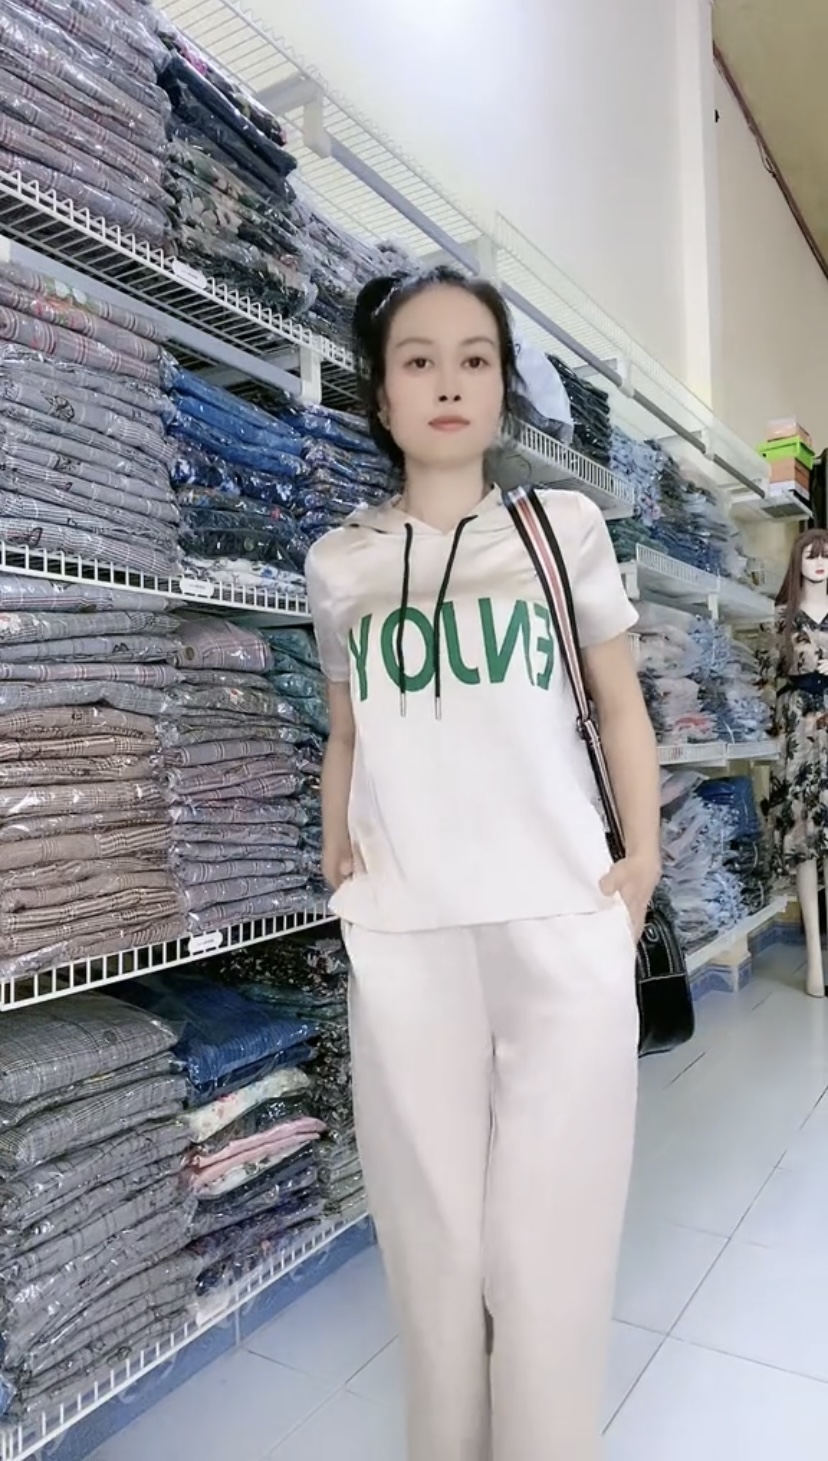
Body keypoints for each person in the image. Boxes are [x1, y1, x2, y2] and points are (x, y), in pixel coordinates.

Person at [306, 265, 661, 1461]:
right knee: (432, 1238)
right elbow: (348, 731)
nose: (448, 382)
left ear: (504, 386)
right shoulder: (340, 561)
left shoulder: (561, 530)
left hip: (559, 919)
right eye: (419, 360)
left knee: (552, 1241)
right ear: (382, 392)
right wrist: (337, 848)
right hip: (407, 933)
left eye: (475, 358)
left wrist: (644, 859)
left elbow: (620, 705)